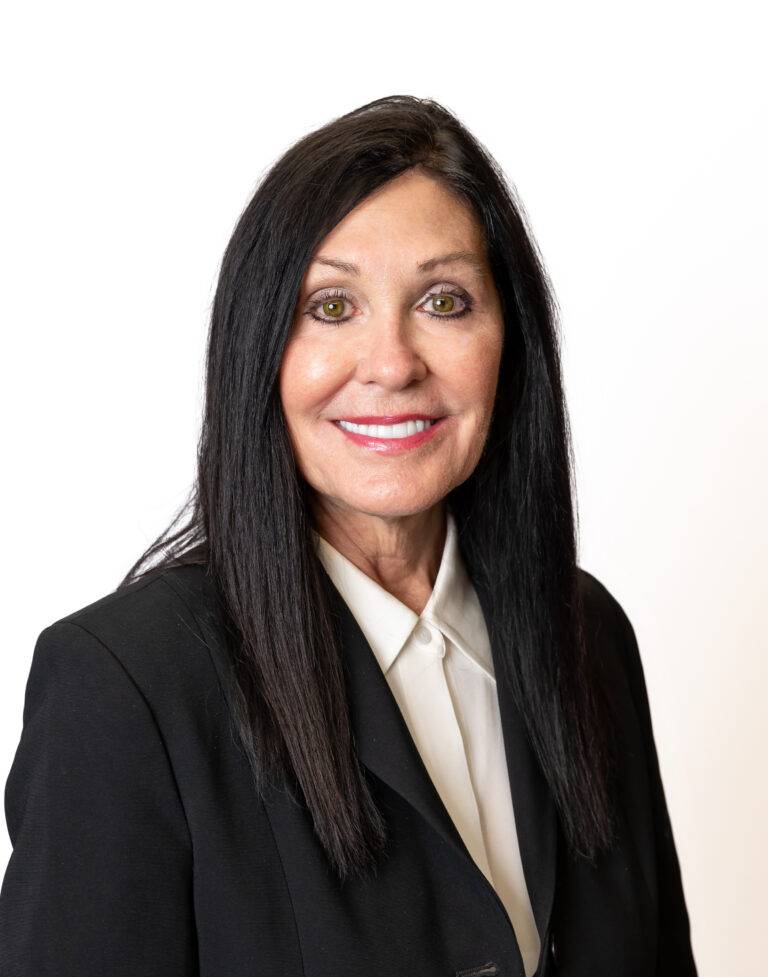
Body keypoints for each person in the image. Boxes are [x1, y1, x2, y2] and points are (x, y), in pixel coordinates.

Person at [0, 95, 697, 976]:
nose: (394, 362)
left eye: (444, 301)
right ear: (260, 348)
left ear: (508, 344)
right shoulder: (128, 686)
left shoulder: (587, 636)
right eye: (332, 307)